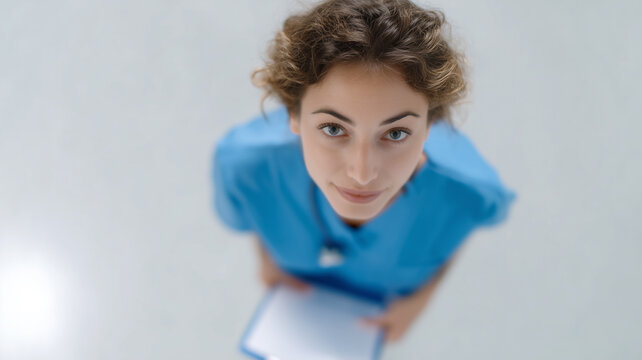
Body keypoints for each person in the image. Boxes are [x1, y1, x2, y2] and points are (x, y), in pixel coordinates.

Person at [211, 0, 515, 343]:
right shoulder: (244, 168)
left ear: (431, 126)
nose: (362, 173)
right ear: (292, 115)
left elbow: (461, 225)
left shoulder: (470, 193)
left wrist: (419, 301)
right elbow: (252, 213)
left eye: (396, 133)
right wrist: (266, 258)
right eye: (333, 129)